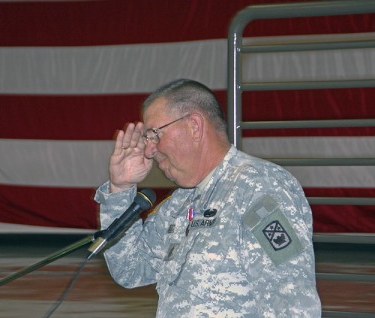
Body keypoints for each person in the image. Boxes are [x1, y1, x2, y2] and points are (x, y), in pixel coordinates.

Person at [94, 79, 322, 317]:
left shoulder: (259, 188)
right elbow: (130, 269)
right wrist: (121, 189)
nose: (149, 150)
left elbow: (292, 305)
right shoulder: (182, 202)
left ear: (194, 126)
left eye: (155, 135)